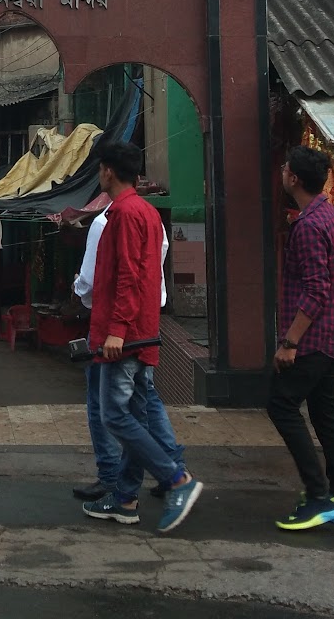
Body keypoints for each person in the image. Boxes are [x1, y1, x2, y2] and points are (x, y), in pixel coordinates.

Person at [80, 140, 203, 534]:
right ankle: (126, 498)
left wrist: (116, 331)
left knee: (115, 414)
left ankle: (176, 479)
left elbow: (129, 277)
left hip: (126, 336)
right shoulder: (145, 212)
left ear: (108, 172)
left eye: (100, 168)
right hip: (141, 332)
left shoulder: (125, 214)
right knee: (135, 415)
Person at [71, 199, 182, 503]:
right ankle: (136, 487)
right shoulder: (152, 217)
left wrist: (114, 327)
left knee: (109, 410)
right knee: (143, 403)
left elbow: (99, 280)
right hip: (147, 322)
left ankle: (162, 475)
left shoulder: (107, 222)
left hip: (115, 329)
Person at [269, 146, 334, 531]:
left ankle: (319, 496)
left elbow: (316, 291)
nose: (282, 172)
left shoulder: (308, 225)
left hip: (314, 339)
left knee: (281, 405)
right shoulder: (331, 216)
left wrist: (290, 342)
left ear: (295, 179)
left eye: (285, 167)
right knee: (326, 417)